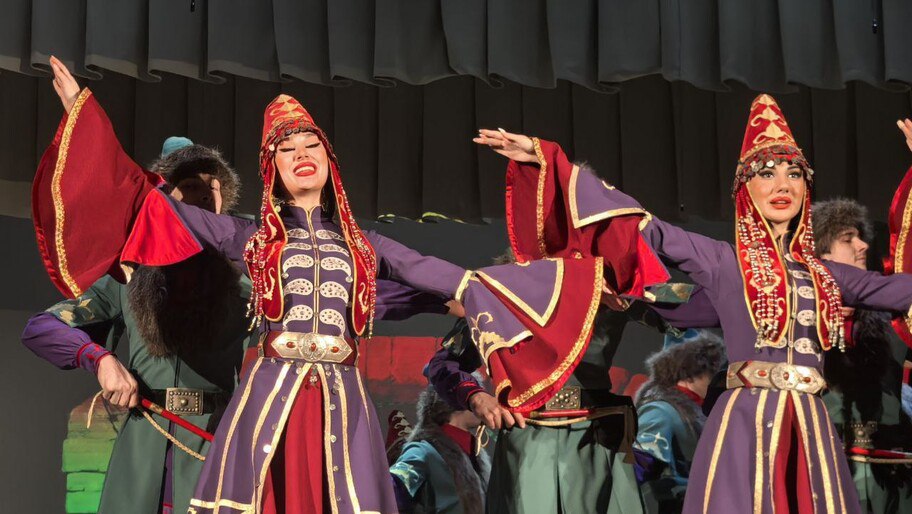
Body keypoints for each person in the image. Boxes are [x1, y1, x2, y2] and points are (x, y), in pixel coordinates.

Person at [35, 57, 594, 514]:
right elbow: (146, 202)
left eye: (311, 146)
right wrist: (85, 119)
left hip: (340, 401)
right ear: (272, 168)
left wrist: (547, 168)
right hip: (269, 401)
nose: (301, 155)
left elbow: (459, 279)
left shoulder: (367, 245)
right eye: (287, 149)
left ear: (330, 160)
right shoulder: (249, 239)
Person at [474, 96, 912, 514]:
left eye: (794, 174)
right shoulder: (723, 261)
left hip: (810, 426)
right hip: (746, 420)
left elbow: (902, 291)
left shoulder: (826, 275)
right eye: (767, 173)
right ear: (745, 189)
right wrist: (550, 162)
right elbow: (643, 226)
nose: (783, 184)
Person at [21, 138, 253, 514]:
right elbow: (41, 328)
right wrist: (100, 360)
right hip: (144, 445)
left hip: (215, 446)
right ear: (163, 197)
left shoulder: (248, 278)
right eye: (190, 185)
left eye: (212, 187)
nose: (204, 196)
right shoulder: (129, 274)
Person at [814, 198, 912, 513]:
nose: (863, 245)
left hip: (894, 481)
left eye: (860, 236)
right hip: (823, 478)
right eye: (848, 239)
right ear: (822, 256)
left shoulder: (896, 320)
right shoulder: (798, 325)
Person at [634, 332, 726, 514]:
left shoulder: (704, 410)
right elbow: (638, 468)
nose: (716, 379)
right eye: (711, 371)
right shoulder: (661, 411)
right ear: (690, 371)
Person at [389, 376, 490, 514]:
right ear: (458, 402)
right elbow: (390, 491)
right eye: (477, 397)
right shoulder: (422, 451)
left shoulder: (474, 454)